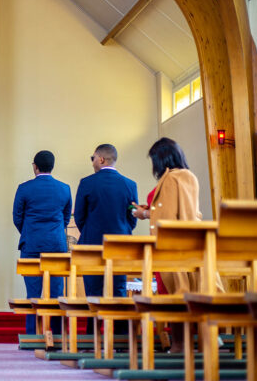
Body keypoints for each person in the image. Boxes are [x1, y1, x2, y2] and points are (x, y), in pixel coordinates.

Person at [131, 137, 220, 352]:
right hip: (192, 244)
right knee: (189, 293)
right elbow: (183, 210)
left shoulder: (170, 178)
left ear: (161, 159)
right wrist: (150, 209)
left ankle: (180, 346)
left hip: (173, 248)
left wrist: (143, 213)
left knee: (176, 297)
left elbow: (167, 217)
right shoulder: (189, 175)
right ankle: (202, 341)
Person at [74, 143, 137, 335]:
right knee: (117, 290)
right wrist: (123, 232)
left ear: (101, 159)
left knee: (93, 292)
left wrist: (90, 233)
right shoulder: (130, 184)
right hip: (119, 246)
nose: (92, 162)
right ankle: (119, 338)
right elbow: (131, 217)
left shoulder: (86, 183)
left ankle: (93, 337)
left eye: (92, 158)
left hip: (92, 246)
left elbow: (79, 216)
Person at [13, 150, 71, 335]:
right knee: (56, 294)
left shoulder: (24, 188)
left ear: (35, 167)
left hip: (31, 246)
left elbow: (17, 217)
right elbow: (66, 218)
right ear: (52, 166)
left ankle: (33, 336)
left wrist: (30, 233)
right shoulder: (64, 188)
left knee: (33, 294)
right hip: (56, 247)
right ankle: (57, 336)